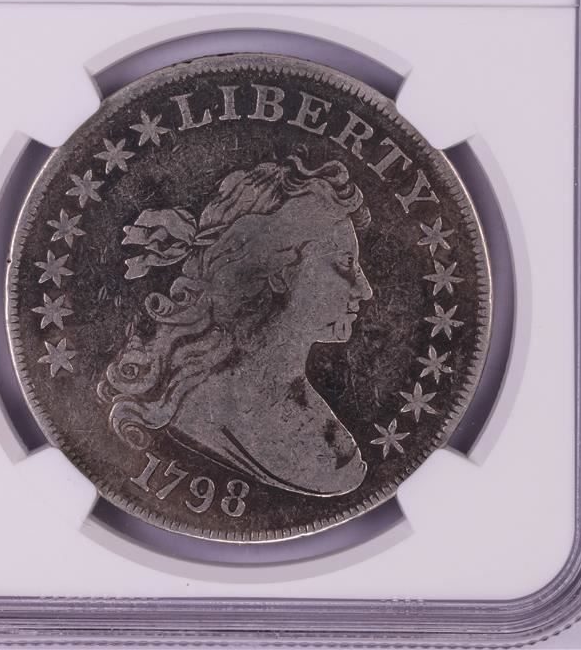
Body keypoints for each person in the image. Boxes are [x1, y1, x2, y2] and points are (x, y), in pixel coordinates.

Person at [97, 151, 374, 496]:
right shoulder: (204, 413)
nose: (365, 290)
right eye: (345, 264)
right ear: (278, 273)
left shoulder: (310, 415)